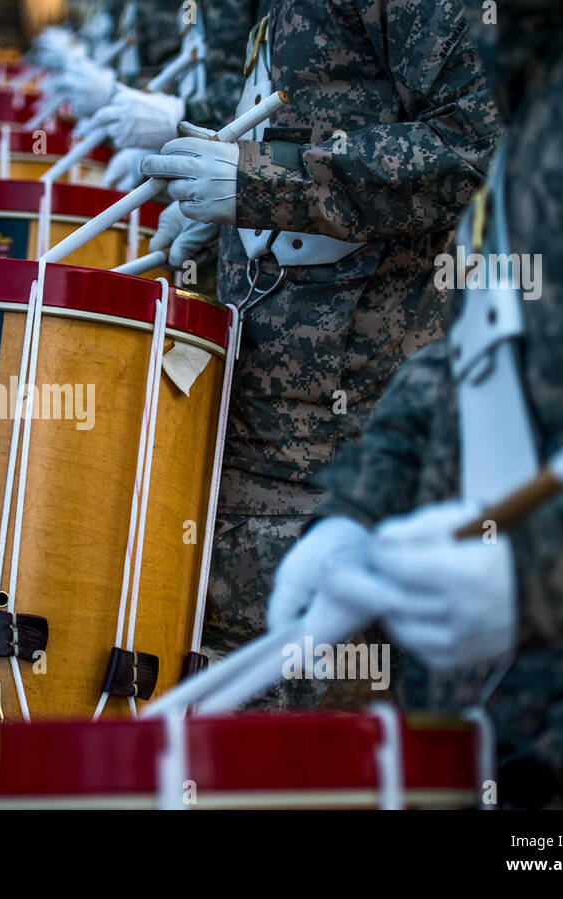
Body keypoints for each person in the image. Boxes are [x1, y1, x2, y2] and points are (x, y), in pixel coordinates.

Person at [266, 0, 563, 808]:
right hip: (503, 737)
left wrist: (546, 574)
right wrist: (360, 508)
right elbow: (480, 350)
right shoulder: (551, 58)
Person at [138, 0, 503, 703]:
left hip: (347, 439)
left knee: (315, 741)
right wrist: (215, 212)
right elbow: (306, 109)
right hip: (257, 424)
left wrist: (265, 183)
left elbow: (477, 145)